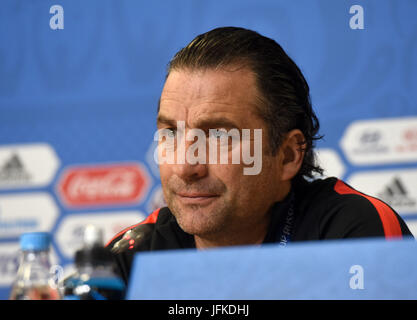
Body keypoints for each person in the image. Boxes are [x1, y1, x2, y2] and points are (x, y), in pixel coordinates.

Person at [106, 27, 413, 284]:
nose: (185, 166)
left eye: (219, 136)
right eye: (171, 133)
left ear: (288, 155)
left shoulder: (351, 233)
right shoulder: (131, 258)